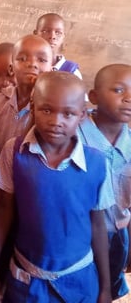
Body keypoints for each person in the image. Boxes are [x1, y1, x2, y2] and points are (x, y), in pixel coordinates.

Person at [0, 71, 112, 303]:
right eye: (46, 110)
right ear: (33, 107)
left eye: (68, 114)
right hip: (26, 277)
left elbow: (98, 224)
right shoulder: (15, 152)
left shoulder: (96, 163)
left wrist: (105, 287)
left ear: (82, 116)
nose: (56, 121)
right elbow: (4, 212)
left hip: (79, 278)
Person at [78, 63, 131, 300]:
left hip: (117, 235)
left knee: (108, 290)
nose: (129, 98)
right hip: (80, 237)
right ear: (93, 97)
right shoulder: (74, 134)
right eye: (119, 90)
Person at [0, 35, 52, 157]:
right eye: (22, 59)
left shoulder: (52, 111)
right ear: (11, 69)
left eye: (41, 60)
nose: (32, 64)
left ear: (51, 70)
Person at [33, 12, 82, 78]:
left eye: (58, 32)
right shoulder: (28, 66)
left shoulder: (71, 72)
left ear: (63, 37)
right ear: (35, 34)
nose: (52, 36)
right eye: (45, 31)